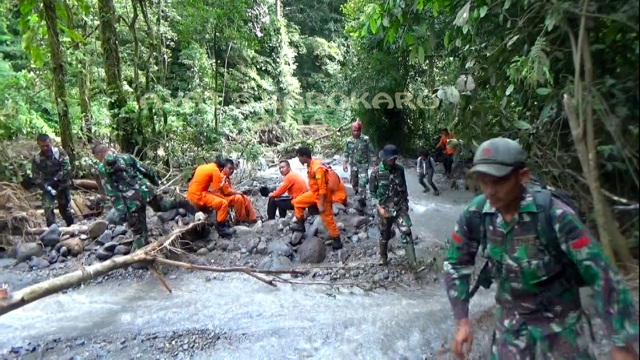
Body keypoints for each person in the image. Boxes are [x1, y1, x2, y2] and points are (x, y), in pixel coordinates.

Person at [444, 137, 639, 360]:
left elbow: (600, 272)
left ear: (523, 177)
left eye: (498, 181)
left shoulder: (554, 214)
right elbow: (456, 264)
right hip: (511, 329)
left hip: (562, 330)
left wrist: (622, 341)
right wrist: (462, 322)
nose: (489, 191)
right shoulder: (477, 214)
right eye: (483, 181)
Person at [92, 144, 197, 250]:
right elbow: (145, 169)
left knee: (139, 231)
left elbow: (111, 191)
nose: (98, 160)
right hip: (146, 189)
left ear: (99, 154)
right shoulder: (126, 157)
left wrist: (121, 210)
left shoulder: (102, 168)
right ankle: (181, 202)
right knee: (161, 206)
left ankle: (142, 257)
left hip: (132, 201)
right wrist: (155, 181)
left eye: (97, 158)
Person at [369, 144, 421, 271]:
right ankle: (383, 257)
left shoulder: (400, 170)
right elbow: (372, 193)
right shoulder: (376, 173)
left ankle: (414, 263)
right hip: (384, 209)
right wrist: (379, 209)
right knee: (384, 235)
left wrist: (406, 204)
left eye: (395, 158)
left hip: (399, 208)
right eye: (391, 158)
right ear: (385, 158)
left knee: (407, 232)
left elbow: (404, 188)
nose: (394, 161)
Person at [291, 146, 343, 250]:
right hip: (314, 193)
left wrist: (322, 204)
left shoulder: (317, 168)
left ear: (304, 157)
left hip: (322, 196)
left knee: (327, 219)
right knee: (297, 202)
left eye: (299, 157)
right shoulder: (311, 165)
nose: (299, 160)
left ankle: (337, 240)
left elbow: (322, 188)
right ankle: (301, 224)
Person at [31, 133, 74, 227]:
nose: (45, 148)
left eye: (47, 145)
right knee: (48, 208)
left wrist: (55, 179)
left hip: (62, 185)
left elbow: (67, 168)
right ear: (38, 145)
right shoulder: (37, 158)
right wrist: (42, 184)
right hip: (47, 186)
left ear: (50, 142)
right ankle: (52, 230)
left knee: (64, 209)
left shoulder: (59, 153)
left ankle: (72, 227)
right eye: (43, 146)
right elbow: (34, 175)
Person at [186, 160, 234, 237]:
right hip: (198, 196)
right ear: (221, 168)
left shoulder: (202, 167)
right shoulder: (215, 170)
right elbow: (216, 190)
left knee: (219, 199)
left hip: (190, 195)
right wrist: (223, 197)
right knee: (223, 203)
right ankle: (221, 229)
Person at [343, 120, 376, 209]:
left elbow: (372, 152)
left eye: (358, 130)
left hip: (363, 166)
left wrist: (375, 164)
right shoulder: (348, 141)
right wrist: (344, 164)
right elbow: (346, 153)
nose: (356, 132)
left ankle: (361, 202)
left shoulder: (365, 139)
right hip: (353, 165)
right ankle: (358, 194)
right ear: (351, 130)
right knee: (354, 183)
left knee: (363, 182)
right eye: (354, 130)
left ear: (360, 130)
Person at [215, 159, 257, 224]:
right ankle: (241, 219)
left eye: (232, 169)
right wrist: (238, 192)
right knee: (238, 198)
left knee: (244, 197)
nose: (231, 171)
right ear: (224, 168)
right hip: (220, 197)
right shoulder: (221, 176)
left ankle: (252, 218)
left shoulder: (227, 177)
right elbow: (227, 192)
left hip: (225, 197)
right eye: (229, 168)